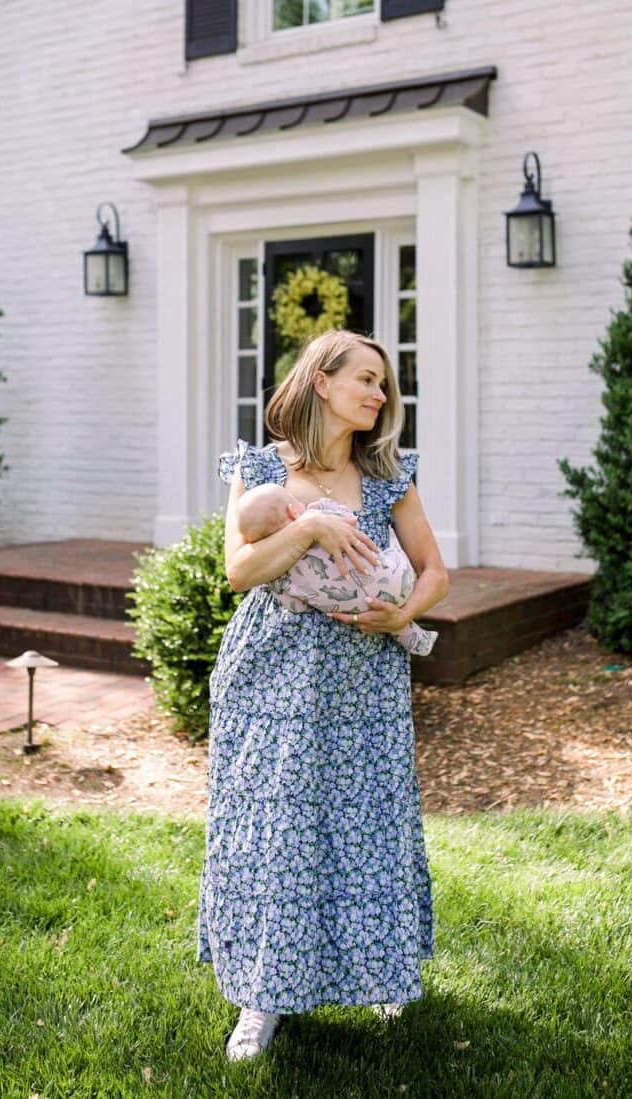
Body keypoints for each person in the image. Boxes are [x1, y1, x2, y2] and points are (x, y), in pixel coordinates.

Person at [196, 328, 450, 1062]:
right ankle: (262, 997)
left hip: (365, 674)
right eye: (365, 378)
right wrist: (307, 527)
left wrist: (403, 615)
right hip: (272, 672)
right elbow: (239, 571)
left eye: (383, 384)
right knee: (276, 827)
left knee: (367, 821)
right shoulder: (260, 469)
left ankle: (379, 967)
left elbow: (436, 572)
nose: (379, 394)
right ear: (321, 381)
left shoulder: (387, 476)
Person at [235, 482, 439, 656]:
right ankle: (406, 628)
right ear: (292, 511)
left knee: (366, 607)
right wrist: (319, 514)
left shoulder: (282, 575)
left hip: (353, 609)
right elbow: (349, 519)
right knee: (388, 563)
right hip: (394, 578)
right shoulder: (319, 513)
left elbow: (295, 605)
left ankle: (410, 634)